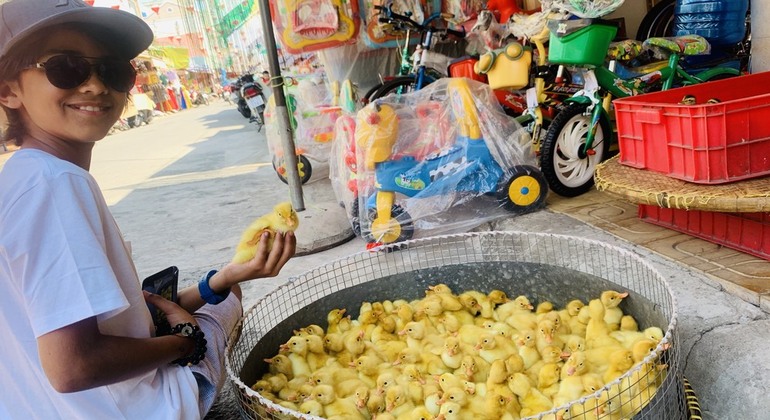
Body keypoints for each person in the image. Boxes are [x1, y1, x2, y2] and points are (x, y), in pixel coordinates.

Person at [0, 1, 296, 418]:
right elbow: (73, 367)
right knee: (227, 306)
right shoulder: (54, 184)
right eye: (65, 68)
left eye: (113, 70)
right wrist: (186, 342)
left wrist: (226, 276)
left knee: (224, 290)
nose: (95, 86)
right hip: (139, 409)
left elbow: (130, 316)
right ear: (7, 89)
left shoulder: (20, 179)